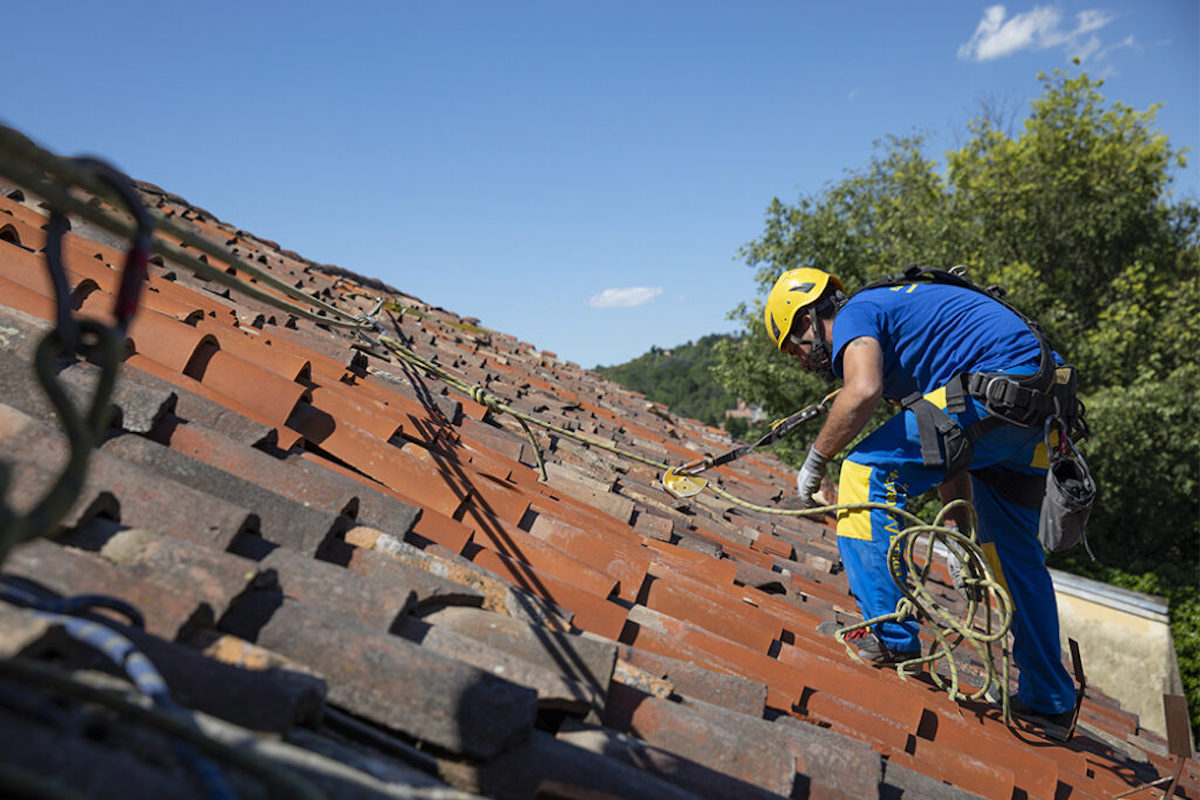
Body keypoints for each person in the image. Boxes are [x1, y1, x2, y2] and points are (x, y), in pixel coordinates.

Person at [763, 265, 1078, 738]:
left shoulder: (856, 314)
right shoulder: (905, 332)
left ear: (808, 319)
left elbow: (861, 391)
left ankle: (889, 635)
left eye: (795, 348)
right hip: (1040, 408)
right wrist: (956, 533)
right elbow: (948, 440)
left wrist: (816, 461)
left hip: (996, 391)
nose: (803, 362)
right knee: (1011, 553)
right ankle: (1049, 700)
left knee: (864, 472)